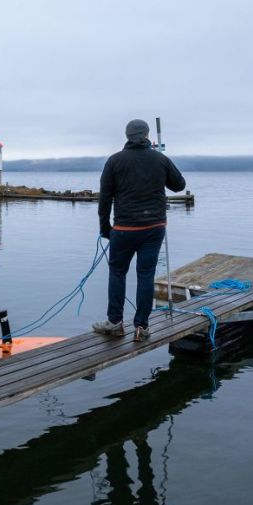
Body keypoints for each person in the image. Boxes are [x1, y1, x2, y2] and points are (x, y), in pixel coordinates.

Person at [93, 119, 186, 342]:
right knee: (146, 275)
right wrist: (160, 164)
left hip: (124, 228)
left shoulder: (114, 161)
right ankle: (141, 327)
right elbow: (179, 185)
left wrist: (105, 228)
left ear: (127, 136)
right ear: (146, 135)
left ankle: (115, 323)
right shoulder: (160, 159)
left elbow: (105, 198)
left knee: (117, 273)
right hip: (154, 228)